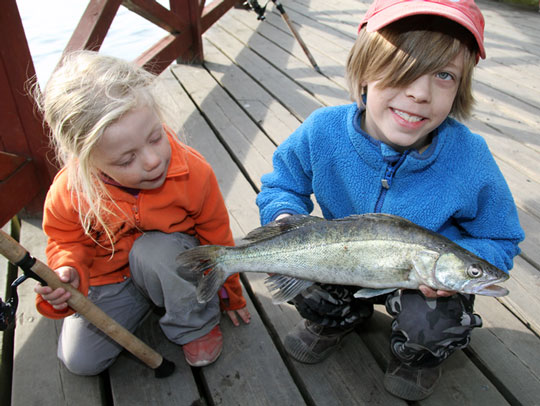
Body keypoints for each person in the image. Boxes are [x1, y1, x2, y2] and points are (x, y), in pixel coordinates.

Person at [256, 0, 524, 401]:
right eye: (402, 67)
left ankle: (417, 357)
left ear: (462, 88)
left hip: (423, 282)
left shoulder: (470, 160)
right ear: (364, 72)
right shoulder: (321, 131)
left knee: (432, 324)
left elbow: (500, 238)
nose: (419, 92)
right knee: (302, 279)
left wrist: (455, 268)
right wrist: (284, 219)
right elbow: (282, 184)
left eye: (444, 74)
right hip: (341, 260)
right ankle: (335, 320)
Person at [33, 51, 251, 375]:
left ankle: (193, 323)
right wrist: (68, 270)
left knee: (156, 252)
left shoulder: (194, 173)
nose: (152, 161)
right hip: (109, 279)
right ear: (86, 159)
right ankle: (146, 301)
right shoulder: (68, 191)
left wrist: (231, 293)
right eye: (126, 159)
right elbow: (63, 239)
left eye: (155, 137)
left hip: (171, 263)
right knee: (80, 362)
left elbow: (218, 240)